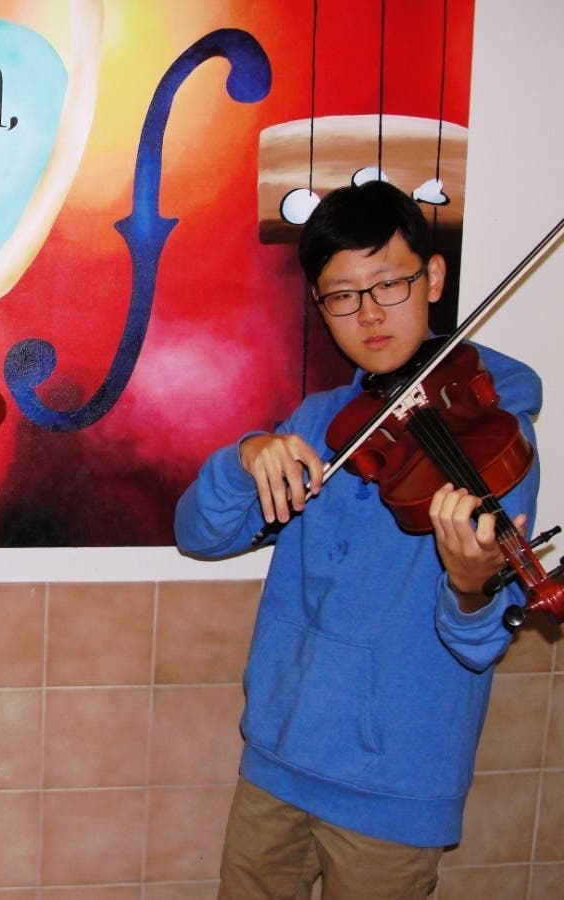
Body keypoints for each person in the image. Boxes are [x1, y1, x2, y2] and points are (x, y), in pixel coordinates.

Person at [173, 179, 541, 899]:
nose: (368, 314)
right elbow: (199, 536)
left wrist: (472, 586)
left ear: (433, 278)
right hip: (278, 760)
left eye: (389, 284)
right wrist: (247, 455)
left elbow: (479, 641)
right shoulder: (318, 422)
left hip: (395, 790)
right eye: (341, 295)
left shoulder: (492, 437)